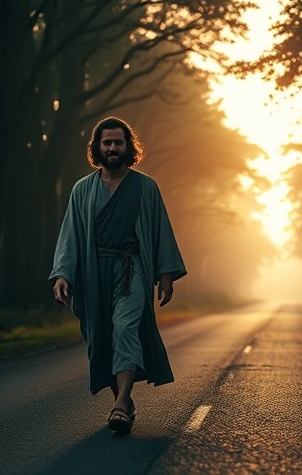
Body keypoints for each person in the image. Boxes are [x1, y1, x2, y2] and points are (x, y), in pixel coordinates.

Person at [49, 116, 187, 435]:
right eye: (107, 142)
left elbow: (160, 229)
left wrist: (165, 272)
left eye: (118, 142)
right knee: (103, 338)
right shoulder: (82, 189)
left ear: (129, 147)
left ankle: (122, 403)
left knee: (125, 328)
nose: (113, 147)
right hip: (94, 271)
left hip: (132, 267)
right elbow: (70, 235)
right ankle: (122, 399)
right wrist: (63, 274)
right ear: (97, 148)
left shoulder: (146, 187)